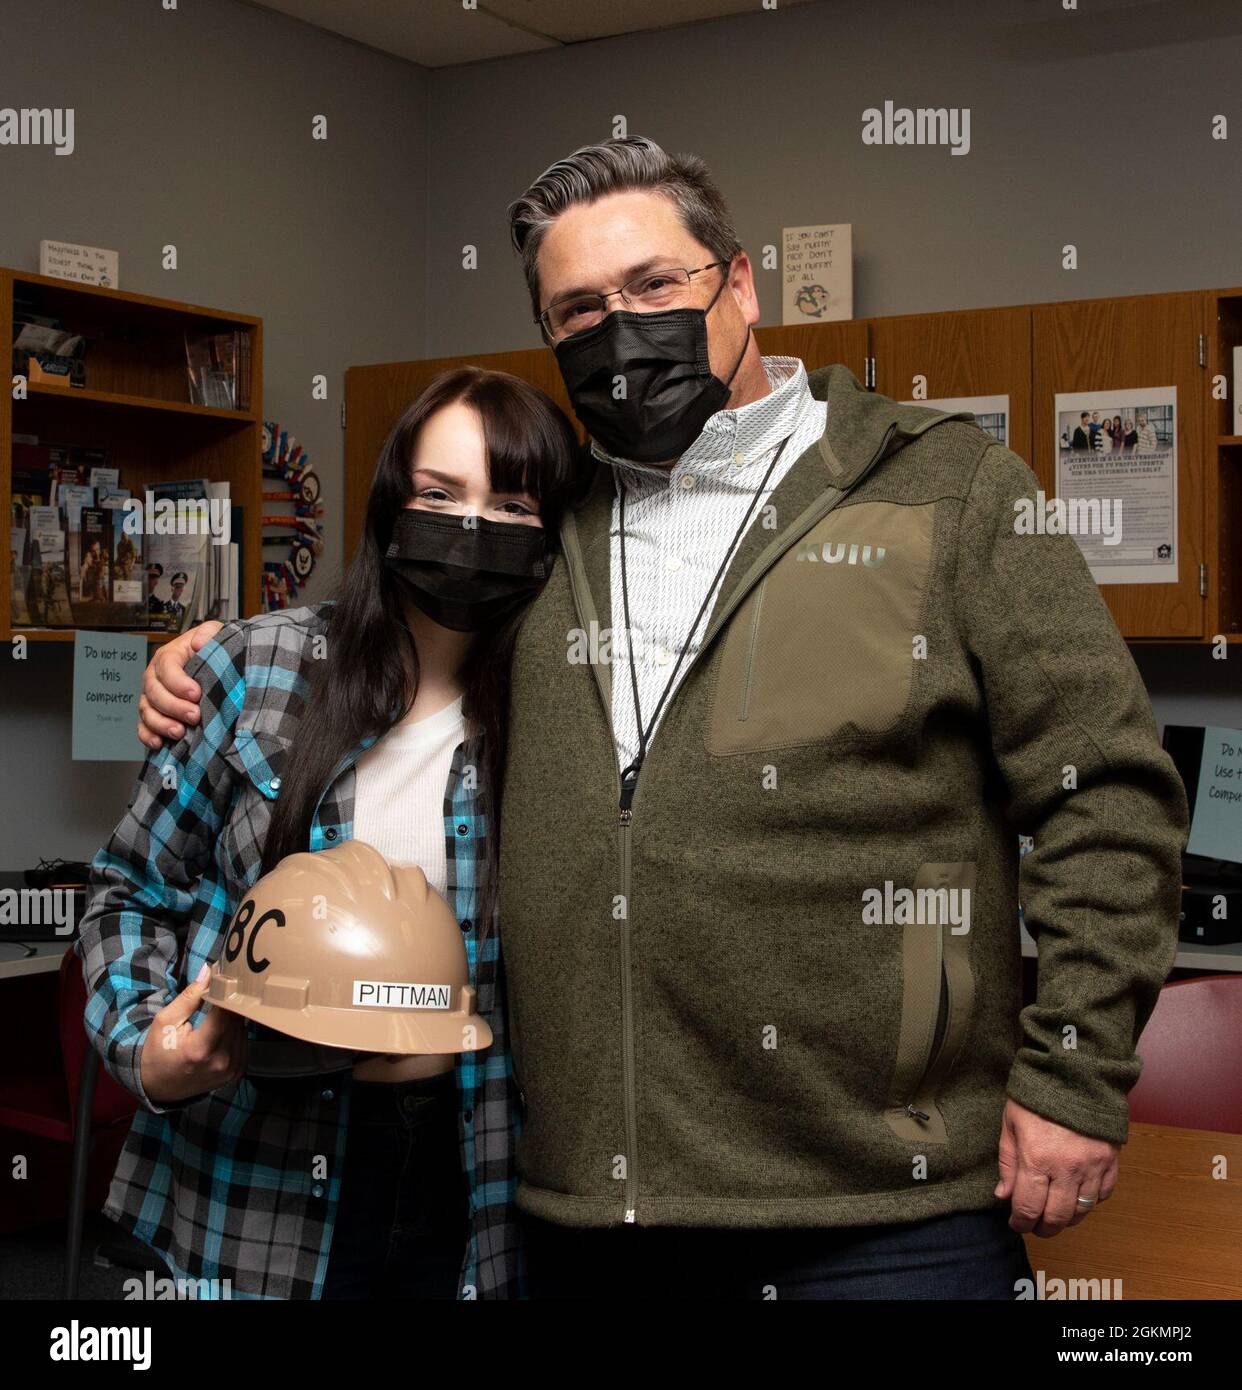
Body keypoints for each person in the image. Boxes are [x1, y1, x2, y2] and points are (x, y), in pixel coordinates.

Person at [140, 135, 1189, 1301]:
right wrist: (216, 652)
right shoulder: (542, 533)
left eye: (653, 286)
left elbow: (1108, 799)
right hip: (592, 1212)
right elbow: (399, 646)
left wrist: (1074, 1076)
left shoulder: (947, 490)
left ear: (740, 284)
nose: (619, 328)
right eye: (577, 310)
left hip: (885, 1210)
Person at [80, 366, 581, 1299]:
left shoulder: (572, 713)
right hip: (254, 1159)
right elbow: (131, 890)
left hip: (478, 1165)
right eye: (441, 495)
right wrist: (146, 1044)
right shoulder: (251, 668)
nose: (471, 529)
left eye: (511, 505)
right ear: (393, 502)